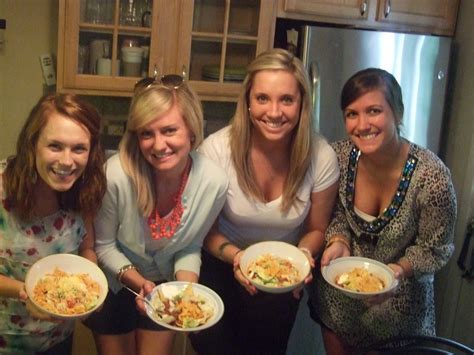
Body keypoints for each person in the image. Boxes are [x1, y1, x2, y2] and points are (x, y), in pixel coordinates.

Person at [189, 48, 340, 355]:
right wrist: (239, 259)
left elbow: (317, 228)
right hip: (221, 268)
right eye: (262, 99)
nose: (274, 112)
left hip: (282, 282)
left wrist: (298, 262)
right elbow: (205, 231)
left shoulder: (321, 155)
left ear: (301, 104)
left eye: (286, 99)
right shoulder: (216, 151)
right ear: (247, 101)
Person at [308, 68, 457, 354]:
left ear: (397, 114)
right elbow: (334, 213)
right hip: (338, 307)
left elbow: (435, 249)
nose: (362, 124)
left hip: (399, 319)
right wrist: (338, 240)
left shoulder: (432, 177)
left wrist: (397, 272)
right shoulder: (337, 156)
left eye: (374, 111)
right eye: (352, 113)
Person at [83, 74, 229, 355]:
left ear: (191, 130)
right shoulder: (115, 176)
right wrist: (141, 284)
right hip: (115, 283)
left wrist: (186, 294)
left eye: (169, 130)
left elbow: (191, 245)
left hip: (164, 288)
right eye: (147, 133)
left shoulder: (214, 182)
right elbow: (104, 245)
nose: (158, 144)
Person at [0, 93, 107, 354]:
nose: (67, 161)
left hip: (57, 339)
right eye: (55, 146)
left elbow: (87, 248)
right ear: (33, 143)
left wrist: (91, 289)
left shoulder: (84, 189)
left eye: (79, 148)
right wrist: (24, 293)